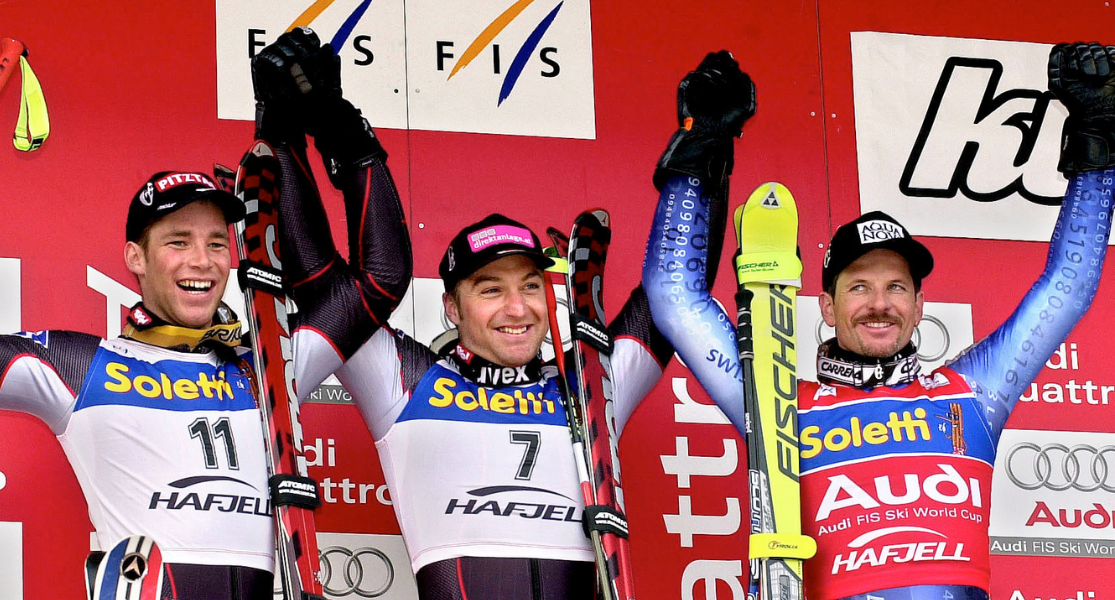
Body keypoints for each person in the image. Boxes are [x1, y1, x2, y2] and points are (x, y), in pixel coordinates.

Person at [0, 33, 410, 597]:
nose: (203, 261)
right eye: (178, 241)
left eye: (217, 243)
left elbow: (379, 283)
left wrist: (348, 144)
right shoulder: (80, 368)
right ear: (135, 258)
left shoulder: (272, 362)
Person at [642, 43, 1115, 600]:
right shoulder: (777, 407)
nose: (879, 303)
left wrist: (1097, 141)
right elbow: (674, 298)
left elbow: (1067, 288)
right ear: (827, 307)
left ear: (919, 306)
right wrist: (701, 145)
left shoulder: (972, 395)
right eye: (859, 287)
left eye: (896, 287)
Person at [257, 28, 675, 599]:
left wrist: (701, 159)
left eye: (531, 285)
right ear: (451, 306)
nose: (517, 307)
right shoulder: (406, 382)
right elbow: (322, 281)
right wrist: (303, 138)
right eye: (490, 289)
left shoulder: (591, 388)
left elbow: (671, 294)